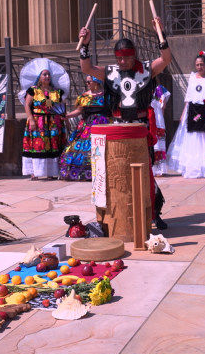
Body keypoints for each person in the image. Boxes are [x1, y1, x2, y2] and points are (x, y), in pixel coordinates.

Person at [78, 18, 171, 229]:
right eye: (119, 58)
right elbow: (86, 68)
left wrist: (160, 34)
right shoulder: (110, 73)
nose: (122, 62)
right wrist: (85, 44)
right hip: (119, 127)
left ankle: (153, 212)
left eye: (127, 57)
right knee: (119, 172)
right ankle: (120, 215)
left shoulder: (145, 70)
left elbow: (165, 59)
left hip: (140, 128)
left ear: (134, 55)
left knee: (144, 171)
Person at [19, 58, 69, 180]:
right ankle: (34, 172)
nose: (47, 77)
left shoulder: (57, 92)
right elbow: (27, 105)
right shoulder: (33, 90)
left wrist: (66, 121)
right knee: (38, 145)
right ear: (39, 76)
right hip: (38, 121)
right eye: (44, 74)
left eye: (48, 74)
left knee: (53, 146)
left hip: (53, 123)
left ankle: (51, 171)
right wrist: (30, 119)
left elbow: (62, 107)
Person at [58, 75, 111, 181]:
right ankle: (84, 173)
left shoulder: (107, 96)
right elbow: (79, 111)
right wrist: (67, 116)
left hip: (103, 124)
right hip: (87, 125)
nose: (87, 84)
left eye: (89, 82)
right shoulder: (84, 97)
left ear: (96, 82)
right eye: (86, 82)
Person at [151, 81, 171, 176]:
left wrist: (160, 120)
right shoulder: (141, 88)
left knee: (159, 145)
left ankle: (160, 170)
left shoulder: (159, 89)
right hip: (148, 120)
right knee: (151, 146)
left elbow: (163, 107)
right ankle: (152, 169)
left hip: (158, 119)